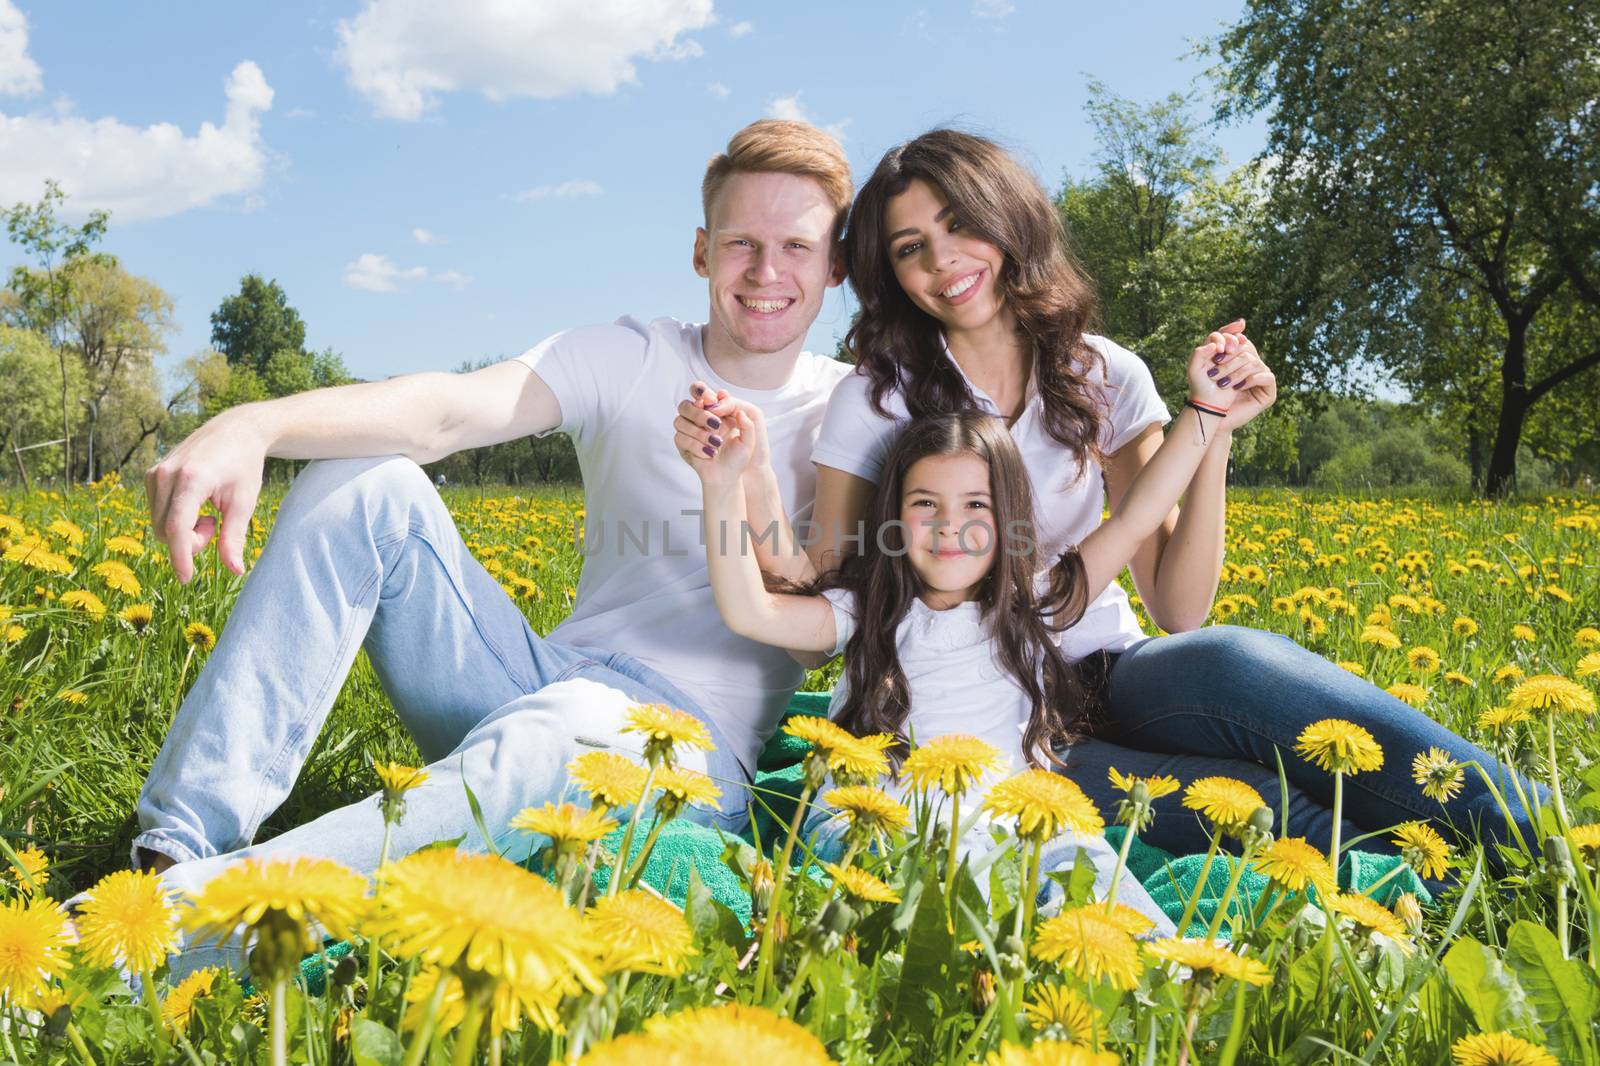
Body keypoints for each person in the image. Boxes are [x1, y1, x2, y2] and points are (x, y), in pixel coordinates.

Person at [678, 128, 1538, 868]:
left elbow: (1179, 603)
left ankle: (1541, 835)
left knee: (1240, 666)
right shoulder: (879, 396)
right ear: (890, 273)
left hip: (1103, 670)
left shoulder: (1104, 372)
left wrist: (1218, 429)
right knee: (1242, 800)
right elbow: (824, 579)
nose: (943, 261)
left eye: (959, 223)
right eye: (908, 248)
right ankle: (1440, 880)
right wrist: (741, 481)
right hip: (978, 711)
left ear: (1007, 216)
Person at [128, 119, 854, 924]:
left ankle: (175, 927)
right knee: (361, 482)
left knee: (574, 725)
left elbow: (817, 621)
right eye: (741, 243)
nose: (765, 271)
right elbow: (445, 411)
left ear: (837, 266)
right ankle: (173, 848)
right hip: (537, 679)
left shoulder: (854, 413)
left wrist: (749, 489)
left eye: (796, 247)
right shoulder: (631, 356)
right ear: (700, 252)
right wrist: (255, 424)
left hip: (686, 752)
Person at [681, 321, 1261, 925]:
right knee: (948, 887)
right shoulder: (868, 612)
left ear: (1008, 516)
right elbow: (750, 609)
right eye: (925, 504)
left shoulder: (1038, 603)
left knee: (1095, 877)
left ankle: (1161, 983)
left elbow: (1140, 513)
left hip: (1008, 823)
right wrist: (722, 484)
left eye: (975, 505)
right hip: (874, 825)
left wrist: (1207, 410)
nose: (949, 526)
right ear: (895, 518)